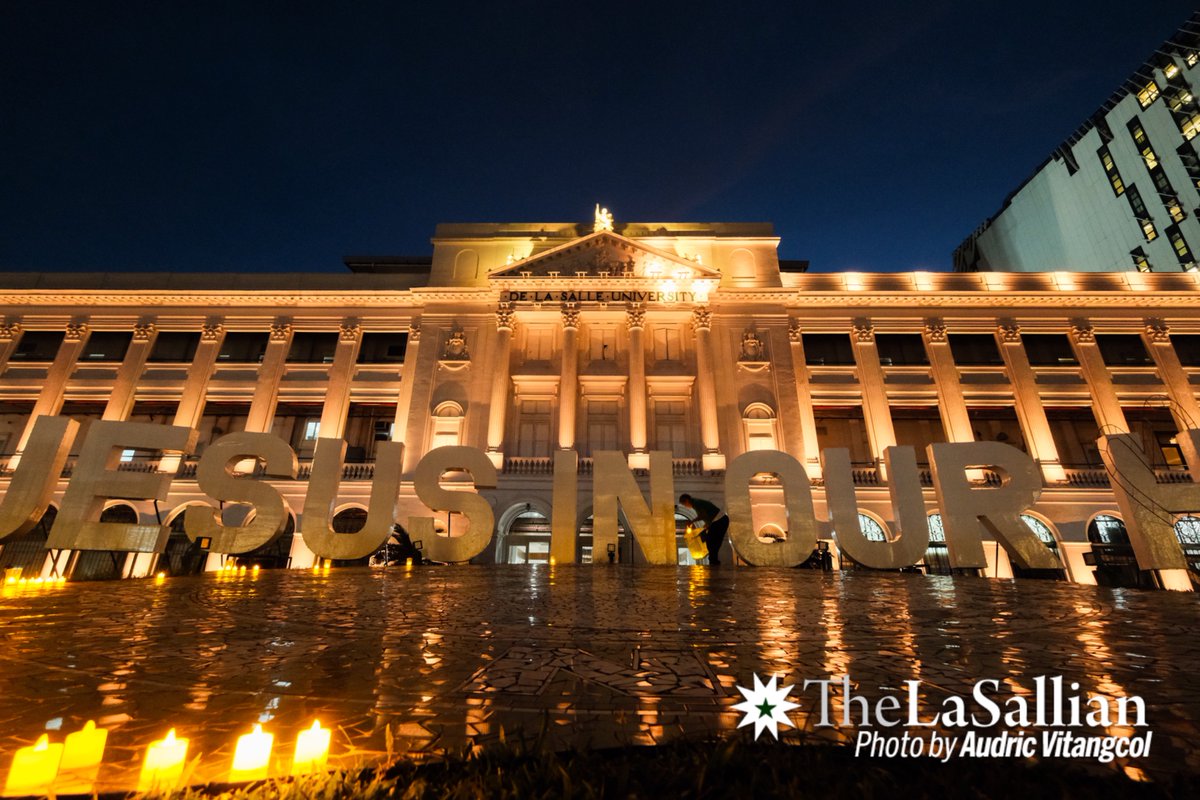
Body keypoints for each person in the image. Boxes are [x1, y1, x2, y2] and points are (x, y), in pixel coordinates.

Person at [679, 493, 728, 566]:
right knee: (713, 541)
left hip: (719, 520)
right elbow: (706, 515)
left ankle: (713, 561)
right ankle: (713, 560)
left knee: (711, 541)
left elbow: (703, 515)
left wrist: (692, 521)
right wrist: (707, 525)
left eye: (684, 504)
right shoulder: (696, 502)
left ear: (687, 501)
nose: (685, 506)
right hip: (719, 521)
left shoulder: (696, 504)